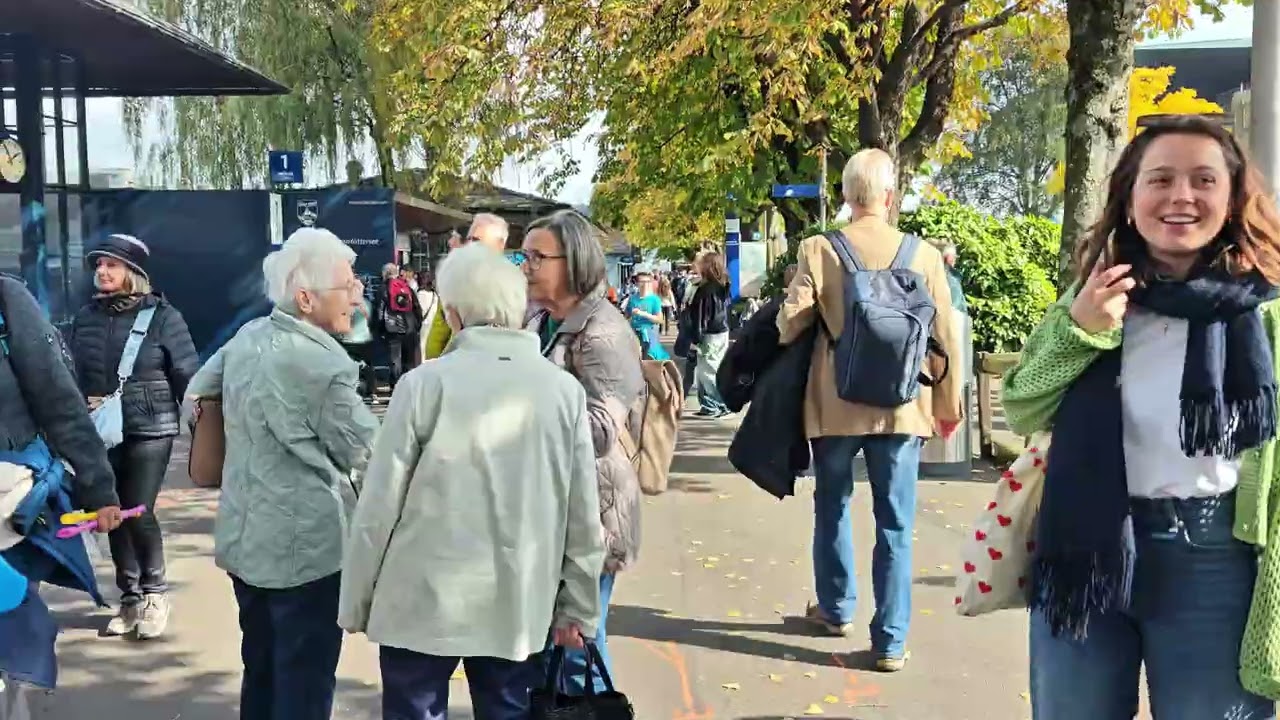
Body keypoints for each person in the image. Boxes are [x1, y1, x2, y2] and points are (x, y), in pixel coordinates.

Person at [1003, 116, 1280, 719]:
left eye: (1203, 179)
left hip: (1215, 554)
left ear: (1231, 200)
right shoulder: (1098, 295)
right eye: (1160, 179)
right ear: (1130, 200)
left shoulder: (1266, 313)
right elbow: (1022, 403)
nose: (1181, 196)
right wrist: (1081, 332)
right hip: (1087, 546)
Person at [339, 242, 605, 720]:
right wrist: (579, 607)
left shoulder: (423, 385)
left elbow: (379, 504)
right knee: (506, 709)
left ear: (455, 312)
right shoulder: (562, 391)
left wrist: (356, 602)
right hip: (516, 602)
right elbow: (582, 513)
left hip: (418, 602)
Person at [777, 148, 962, 672]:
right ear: (890, 195)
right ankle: (891, 640)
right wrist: (946, 406)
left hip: (835, 406)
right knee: (896, 523)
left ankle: (835, 608)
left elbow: (791, 322)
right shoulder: (922, 254)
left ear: (844, 195)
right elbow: (945, 334)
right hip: (903, 408)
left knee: (831, 505)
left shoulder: (819, 248)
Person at [186, 227, 379, 720]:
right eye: (348, 284)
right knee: (305, 683)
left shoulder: (247, 337)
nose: (357, 293)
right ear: (306, 298)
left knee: (264, 669)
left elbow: (198, 393)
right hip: (306, 551)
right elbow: (369, 453)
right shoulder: (322, 364)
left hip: (245, 539)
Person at [521, 209, 644, 692]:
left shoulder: (603, 332)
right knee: (553, 647)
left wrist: (518, 422)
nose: (526, 266)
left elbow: (600, 429)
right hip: (553, 510)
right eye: (524, 255)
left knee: (577, 647)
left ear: (572, 262)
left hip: (595, 510)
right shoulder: (540, 318)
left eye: (537, 257)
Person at [68, 233, 199, 640]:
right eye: (99, 265)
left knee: (137, 510)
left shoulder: (163, 317)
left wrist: (204, 428)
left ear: (133, 273)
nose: (103, 272)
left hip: (150, 427)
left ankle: (155, 593)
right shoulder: (85, 318)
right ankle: (129, 597)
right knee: (111, 512)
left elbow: (188, 375)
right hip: (103, 431)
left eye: (112, 265)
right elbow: (70, 374)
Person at [0, 274, 122, 691]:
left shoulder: (6, 299)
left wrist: (99, 488)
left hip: (6, 504)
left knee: (12, 624)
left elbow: (58, 399)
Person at [423, 213, 510, 360]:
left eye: (454, 237)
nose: (450, 243)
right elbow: (443, 327)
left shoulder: (493, 283)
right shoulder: (455, 279)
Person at [687, 251, 733, 418]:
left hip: (709, 334)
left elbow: (701, 317)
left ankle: (720, 404)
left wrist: (695, 340)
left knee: (707, 371)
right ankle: (709, 405)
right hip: (721, 332)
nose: (697, 265)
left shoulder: (705, 290)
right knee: (708, 369)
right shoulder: (722, 286)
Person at [375, 263, 424, 391]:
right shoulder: (406, 287)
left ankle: (397, 388)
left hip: (392, 329)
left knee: (395, 360)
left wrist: (379, 329)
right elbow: (417, 308)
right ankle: (410, 387)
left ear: (384, 274)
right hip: (409, 328)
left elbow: (380, 310)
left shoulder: (383, 289)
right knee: (408, 360)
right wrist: (416, 325)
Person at [341, 293, 377, 399]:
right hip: (365, 339)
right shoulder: (367, 303)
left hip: (349, 340)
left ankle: (350, 388)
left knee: (348, 365)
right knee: (368, 366)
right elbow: (371, 321)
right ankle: (370, 390)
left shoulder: (344, 304)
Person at [628, 271, 668, 360]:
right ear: (637, 283)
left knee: (652, 359)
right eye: (642, 281)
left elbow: (659, 320)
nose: (645, 284)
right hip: (634, 334)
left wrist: (644, 314)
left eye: (647, 282)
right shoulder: (632, 299)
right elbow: (626, 317)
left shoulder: (655, 300)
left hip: (650, 334)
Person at [940, 244, 968, 314]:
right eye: (955, 257)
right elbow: (955, 308)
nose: (955, 261)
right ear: (949, 258)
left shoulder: (930, 275)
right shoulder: (952, 280)